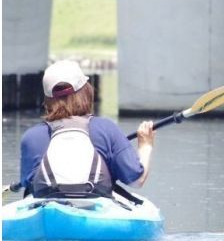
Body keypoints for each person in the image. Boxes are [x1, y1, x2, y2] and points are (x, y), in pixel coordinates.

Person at [18, 60, 156, 198]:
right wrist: (146, 145)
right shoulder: (106, 129)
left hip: (48, 211)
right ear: (86, 91)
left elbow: (29, 184)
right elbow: (136, 181)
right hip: (97, 207)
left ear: (47, 99)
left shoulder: (32, 137)